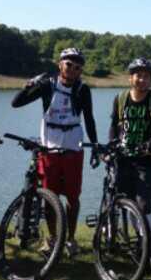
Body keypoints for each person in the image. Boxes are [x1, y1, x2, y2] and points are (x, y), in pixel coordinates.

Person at [11, 47, 98, 257]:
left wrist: (95, 146)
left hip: (73, 148)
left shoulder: (82, 90)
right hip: (49, 148)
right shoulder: (48, 86)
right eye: (69, 64)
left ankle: (70, 239)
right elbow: (16, 103)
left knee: (73, 198)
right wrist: (30, 84)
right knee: (50, 197)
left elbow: (89, 119)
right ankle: (52, 239)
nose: (73, 69)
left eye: (78, 67)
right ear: (60, 65)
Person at [108, 58, 151, 231]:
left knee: (143, 205)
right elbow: (114, 125)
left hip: (147, 159)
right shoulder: (120, 99)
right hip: (123, 158)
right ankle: (123, 238)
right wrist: (111, 145)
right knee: (122, 201)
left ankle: (147, 246)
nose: (142, 80)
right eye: (138, 76)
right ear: (130, 78)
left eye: (146, 77)